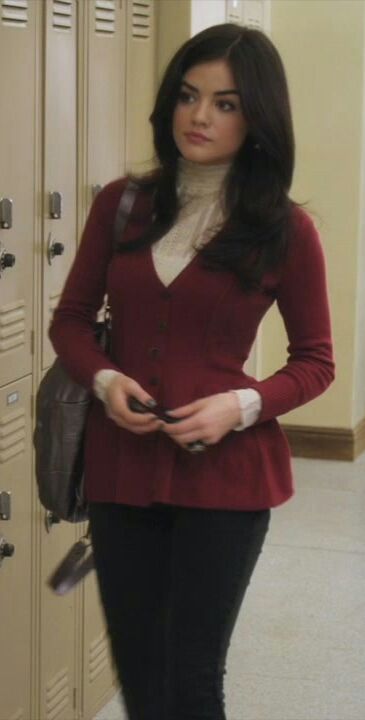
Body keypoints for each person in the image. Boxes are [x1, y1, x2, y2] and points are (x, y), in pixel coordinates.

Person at [49, 23, 335, 720]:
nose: (199, 116)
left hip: (226, 480)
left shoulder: (285, 230)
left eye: (226, 103)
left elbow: (315, 362)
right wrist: (107, 381)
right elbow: (71, 322)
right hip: (122, 471)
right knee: (141, 678)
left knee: (192, 681)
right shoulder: (121, 204)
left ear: (258, 117)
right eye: (187, 95)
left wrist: (240, 404)